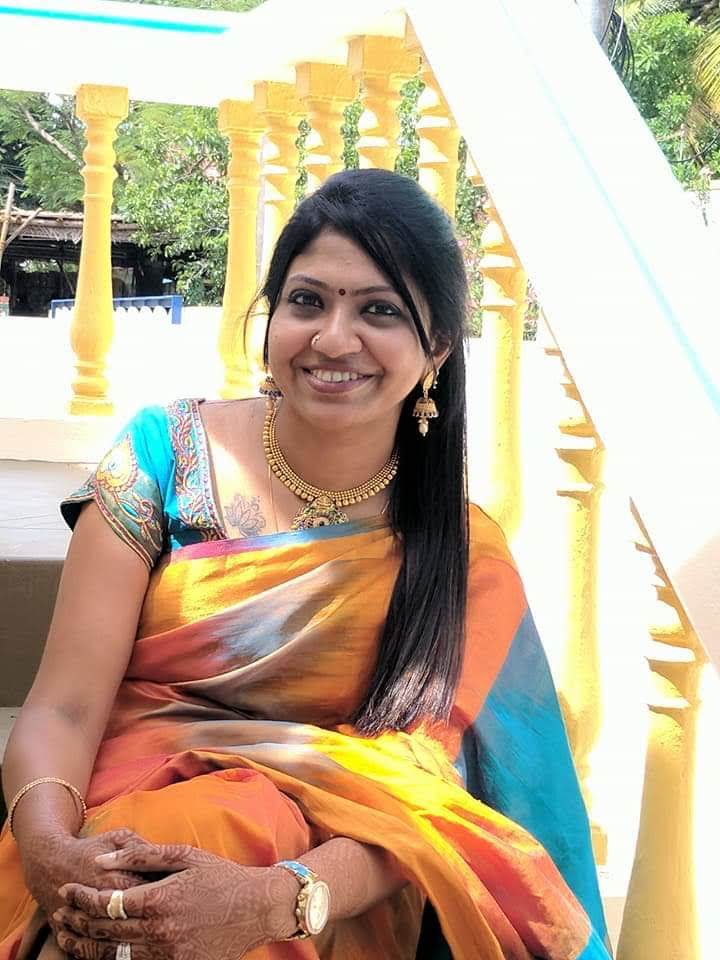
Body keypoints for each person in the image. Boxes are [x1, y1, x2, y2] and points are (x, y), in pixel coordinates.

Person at [0, 169, 611, 960]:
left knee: (235, 826)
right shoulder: (165, 456)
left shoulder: (461, 558)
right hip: (111, 829)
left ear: (435, 349)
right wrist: (50, 853)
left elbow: (428, 797)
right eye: (307, 301)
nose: (332, 339)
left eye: (379, 311)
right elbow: (62, 710)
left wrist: (271, 902)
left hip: (330, 885)